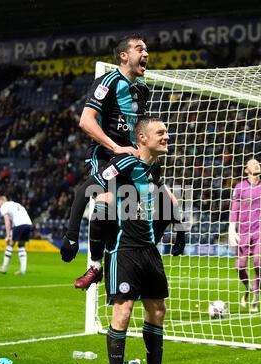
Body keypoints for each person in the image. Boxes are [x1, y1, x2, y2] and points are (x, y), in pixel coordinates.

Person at [65, 117, 187, 364]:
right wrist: (73, 234)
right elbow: (88, 189)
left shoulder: (154, 168)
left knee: (158, 309)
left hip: (149, 249)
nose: (167, 136)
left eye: (166, 131)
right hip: (124, 249)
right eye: (161, 132)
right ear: (142, 139)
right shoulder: (124, 162)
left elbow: (165, 198)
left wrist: (178, 226)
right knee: (124, 311)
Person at [61, 34, 185, 288]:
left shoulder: (143, 89)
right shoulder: (108, 81)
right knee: (105, 203)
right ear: (124, 55)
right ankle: (95, 267)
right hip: (107, 156)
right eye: (140, 48)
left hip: (134, 158)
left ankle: (149, 250)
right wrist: (117, 148)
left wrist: (180, 229)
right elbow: (86, 121)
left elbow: (142, 131)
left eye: (147, 49)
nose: (146, 54)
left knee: (168, 203)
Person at [228, 158, 261, 312]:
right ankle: (248, 287)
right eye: (253, 163)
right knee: (240, 267)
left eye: (258, 163)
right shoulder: (240, 187)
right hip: (243, 231)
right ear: (246, 170)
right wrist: (231, 229)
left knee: (257, 263)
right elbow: (234, 209)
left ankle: (255, 298)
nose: (257, 164)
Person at [0, 196, 33, 275]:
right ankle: (22, 270)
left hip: (19, 224)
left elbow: (7, 221)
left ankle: (4, 268)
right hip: (28, 224)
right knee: (21, 246)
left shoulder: (4, 206)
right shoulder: (14, 204)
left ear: (1, 201)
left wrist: (8, 236)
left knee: (10, 245)